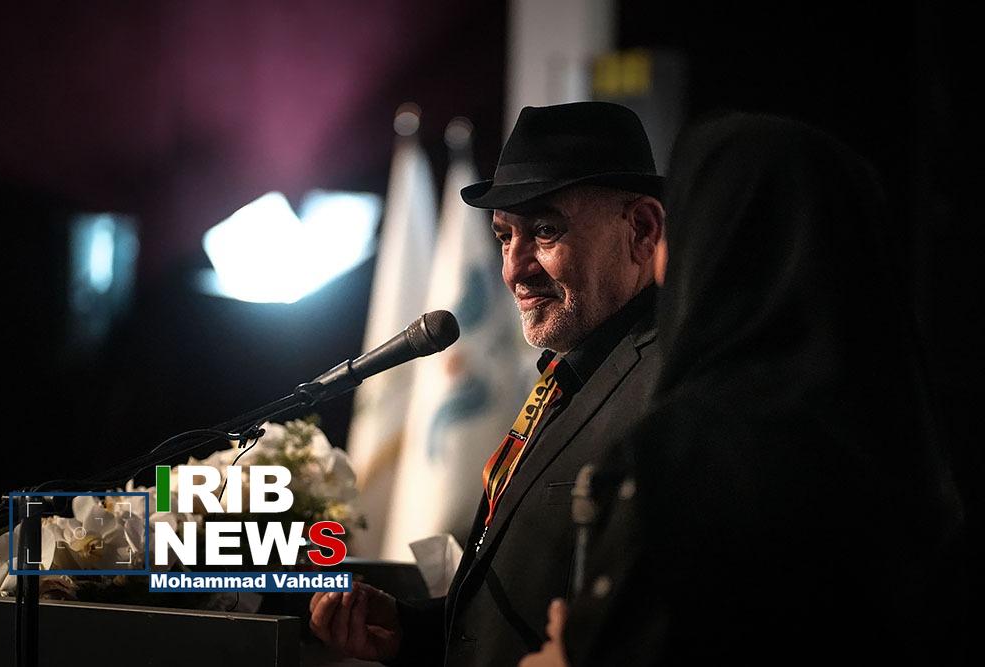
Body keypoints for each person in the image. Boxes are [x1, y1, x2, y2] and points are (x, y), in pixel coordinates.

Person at [519, 112, 966, 666]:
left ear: (715, 245)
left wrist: (568, 651)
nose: (662, 265)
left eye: (679, 231)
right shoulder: (916, 447)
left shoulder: (688, 451)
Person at [309, 101, 668, 666]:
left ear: (641, 229)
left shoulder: (668, 391)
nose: (513, 269)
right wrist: (412, 631)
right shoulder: (568, 372)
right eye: (504, 236)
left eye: (545, 230)